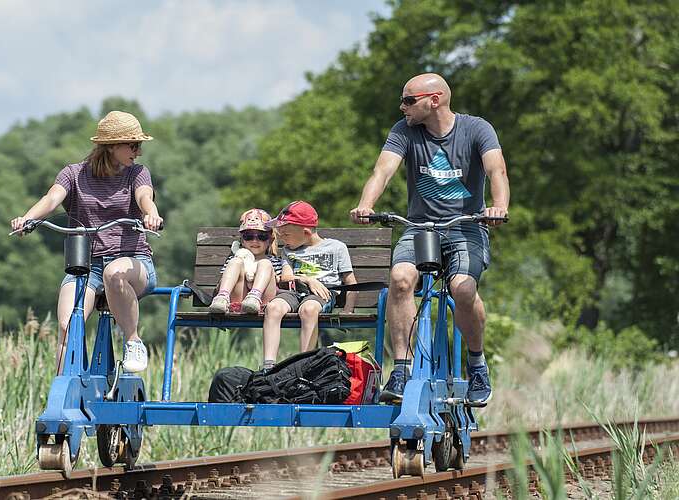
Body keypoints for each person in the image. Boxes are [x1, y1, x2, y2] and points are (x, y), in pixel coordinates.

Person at [350, 73, 509, 406]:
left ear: (433, 100)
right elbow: (383, 171)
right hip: (420, 226)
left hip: (467, 226)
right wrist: (367, 205)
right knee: (400, 279)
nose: (402, 107)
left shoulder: (477, 129)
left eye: (408, 100)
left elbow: (497, 170)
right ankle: (402, 368)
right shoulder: (404, 131)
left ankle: (477, 364)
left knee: (463, 288)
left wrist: (499, 207)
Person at [11, 110, 162, 374]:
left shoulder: (137, 173)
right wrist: (27, 218)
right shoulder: (74, 174)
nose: (138, 151)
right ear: (112, 145)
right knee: (68, 324)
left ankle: (133, 340)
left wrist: (151, 214)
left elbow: (144, 197)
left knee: (113, 273)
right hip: (87, 266)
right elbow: (52, 199)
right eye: (133, 145)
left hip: (132, 262)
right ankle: (64, 389)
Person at [262, 201, 357, 371]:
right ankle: (268, 366)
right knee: (273, 308)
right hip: (293, 290)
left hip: (322, 294)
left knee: (309, 309)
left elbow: (351, 282)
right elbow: (286, 276)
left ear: (306, 232)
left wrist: (348, 310)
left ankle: (304, 364)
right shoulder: (289, 250)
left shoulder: (336, 248)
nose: (282, 239)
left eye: (286, 234)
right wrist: (307, 279)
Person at [208, 208, 292, 314]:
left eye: (262, 236)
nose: (255, 241)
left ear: (270, 240)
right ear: (242, 240)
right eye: (249, 236)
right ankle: (222, 298)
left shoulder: (274, 261)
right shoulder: (235, 258)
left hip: (264, 302)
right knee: (236, 262)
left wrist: (273, 277)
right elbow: (223, 280)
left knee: (265, 263)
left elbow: (282, 283)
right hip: (238, 300)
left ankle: (254, 297)